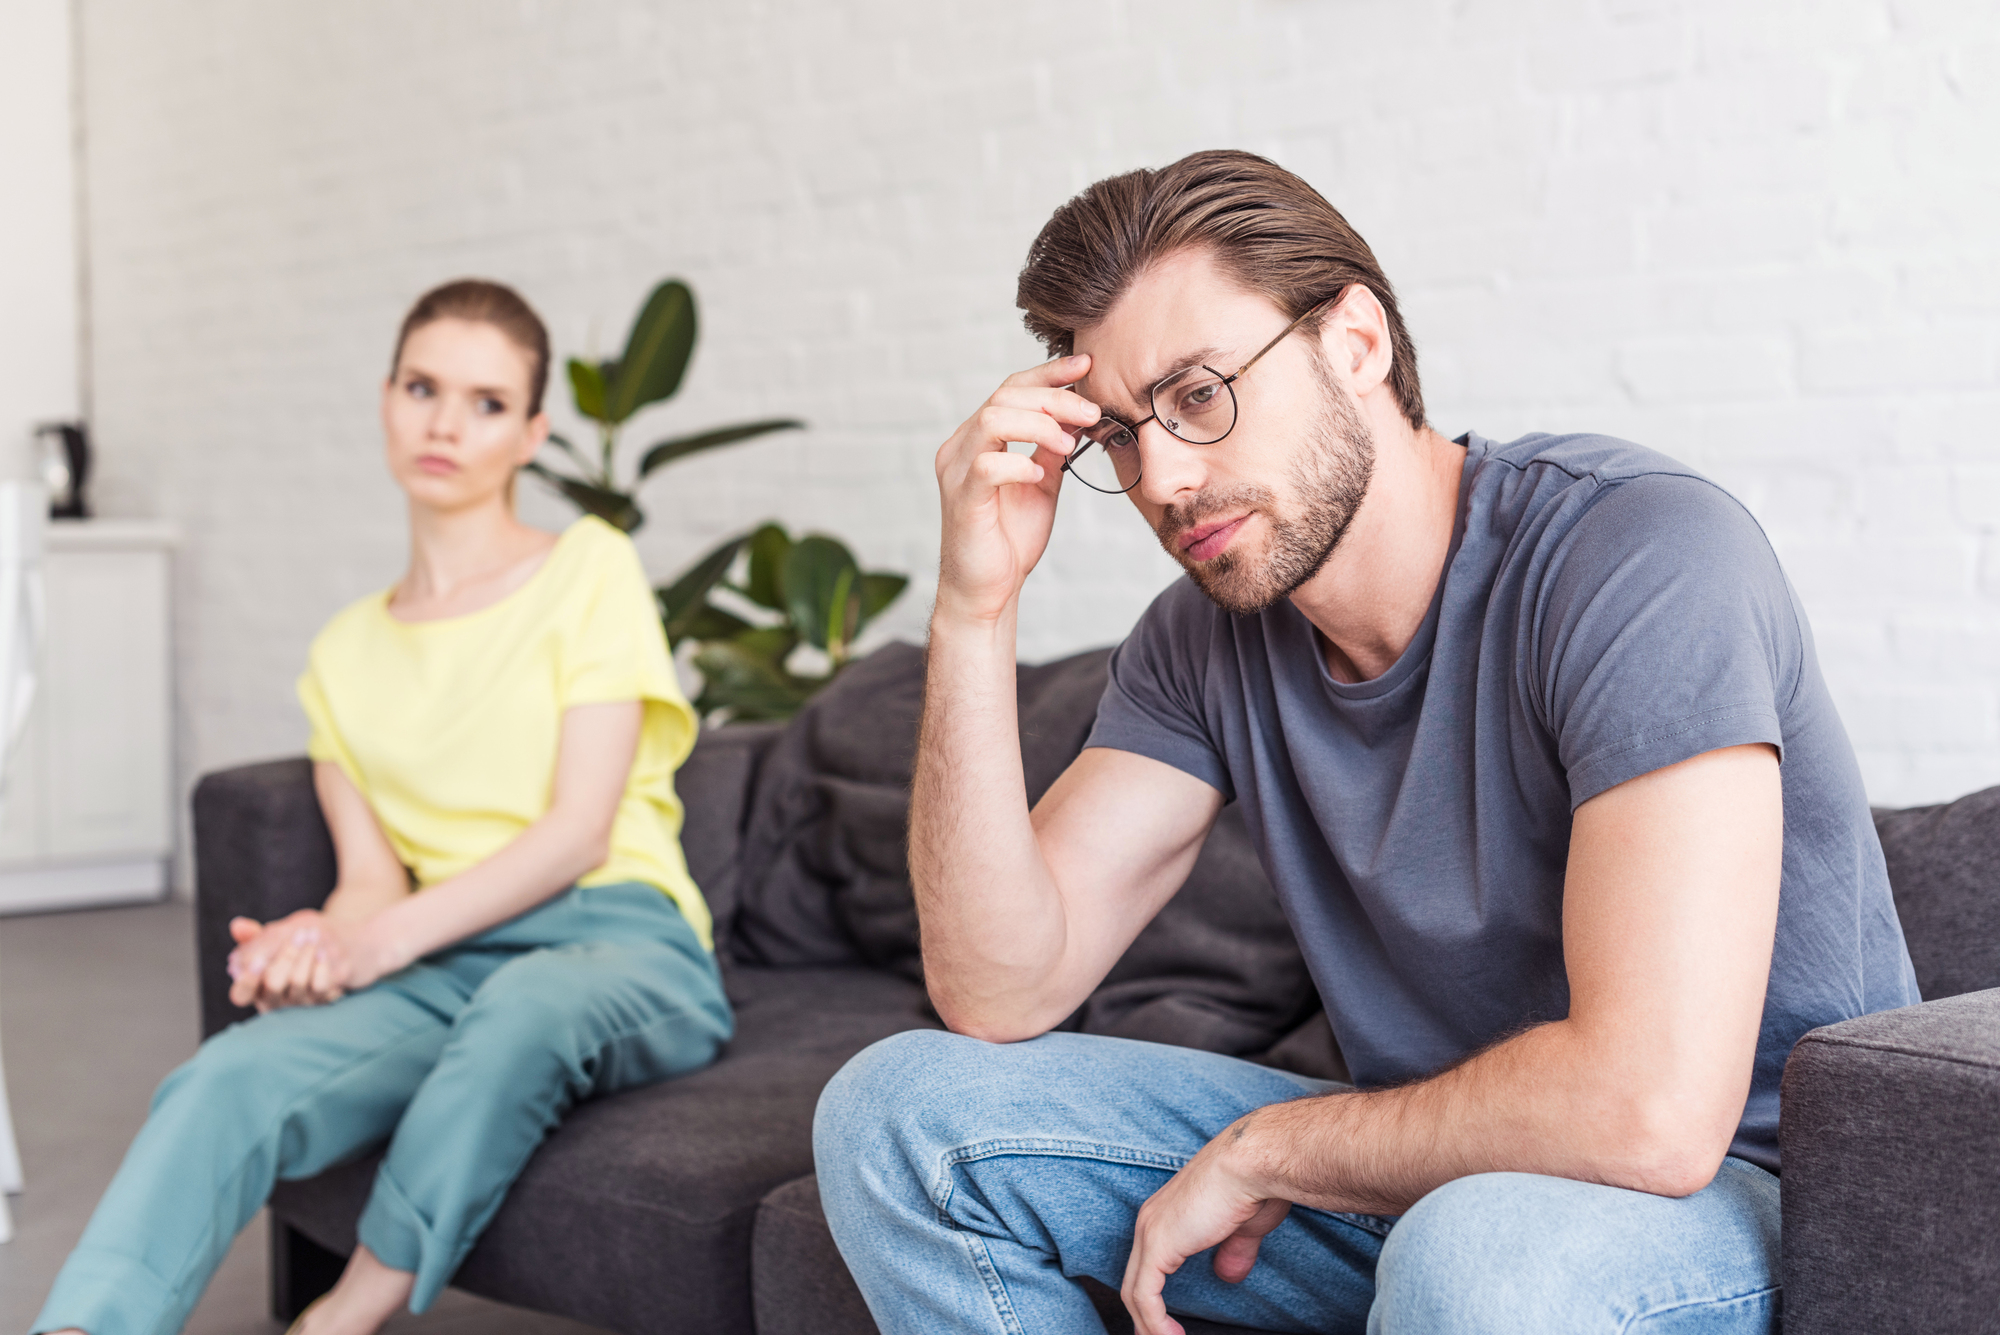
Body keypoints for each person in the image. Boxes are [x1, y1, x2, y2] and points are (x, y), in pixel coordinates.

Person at [813, 150, 1919, 1335]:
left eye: (1197, 394)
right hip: (1425, 1171)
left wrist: (1270, 1150)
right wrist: (972, 607)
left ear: (1354, 341)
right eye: (1122, 437)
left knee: (1479, 1255)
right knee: (898, 1112)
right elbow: (995, 988)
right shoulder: (1203, 641)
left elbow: (1645, 1111)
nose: (1164, 479)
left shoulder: (1637, 555)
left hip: (1727, 1198)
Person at [34, 279, 732, 1335]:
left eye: (487, 402)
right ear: (385, 399)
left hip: (617, 941)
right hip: (440, 955)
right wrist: (311, 944)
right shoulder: (342, 653)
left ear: (532, 433)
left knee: (522, 1011)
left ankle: (339, 1318)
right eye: (422, 387)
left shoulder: (590, 569)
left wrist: (375, 945)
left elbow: (578, 831)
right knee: (226, 1076)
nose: (445, 422)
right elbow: (371, 881)